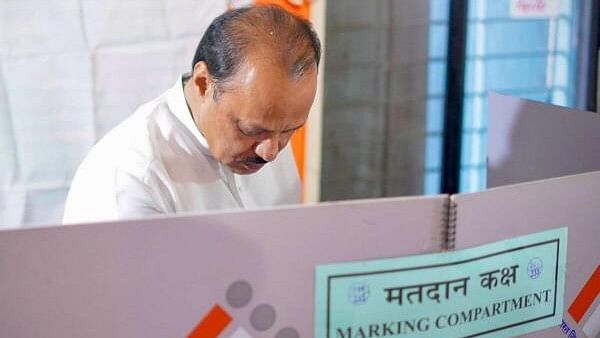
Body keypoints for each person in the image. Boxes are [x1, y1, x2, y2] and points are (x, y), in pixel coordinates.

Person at [62, 5, 321, 223]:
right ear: (203, 84)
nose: (271, 152)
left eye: (290, 130)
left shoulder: (270, 124)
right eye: (252, 131)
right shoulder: (132, 179)